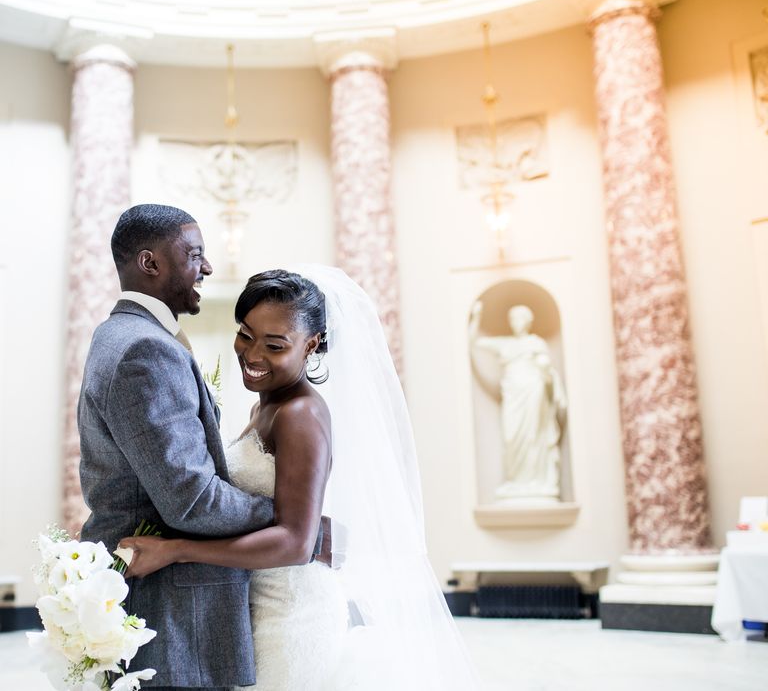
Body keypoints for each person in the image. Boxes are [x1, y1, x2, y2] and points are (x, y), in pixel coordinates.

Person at [119, 267, 479, 690]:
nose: (252, 355)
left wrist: (174, 550)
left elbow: (295, 542)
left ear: (311, 345)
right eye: (245, 334)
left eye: (274, 345)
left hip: (289, 618)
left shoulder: (300, 415)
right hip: (257, 606)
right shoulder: (266, 406)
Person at [78, 204, 324, 691]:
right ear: (151, 263)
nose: (208, 267)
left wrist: (296, 528)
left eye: (274, 344)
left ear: (310, 345)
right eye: (195, 255)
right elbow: (191, 499)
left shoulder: (119, 337)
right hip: (172, 609)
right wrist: (295, 524)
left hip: (194, 594)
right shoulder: (145, 349)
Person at [469, 301, 567, 500]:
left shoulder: (536, 343)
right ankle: (517, 481)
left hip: (533, 392)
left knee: (533, 436)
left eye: (520, 318)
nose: (516, 322)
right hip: (513, 395)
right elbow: (473, 342)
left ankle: (535, 482)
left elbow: (548, 374)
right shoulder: (506, 344)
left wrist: (545, 369)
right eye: (512, 318)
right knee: (512, 437)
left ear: (528, 321)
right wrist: (476, 318)